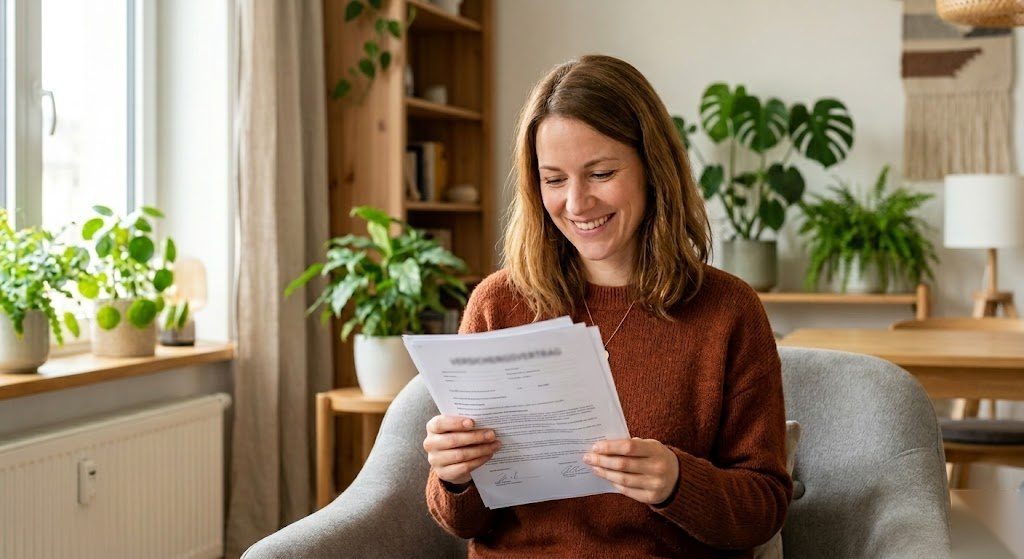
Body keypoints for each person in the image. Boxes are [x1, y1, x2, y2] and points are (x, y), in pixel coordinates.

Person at [421, 54, 791, 558]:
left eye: (600, 173)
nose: (576, 204)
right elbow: (461, 522)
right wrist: (454, 477)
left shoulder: (727, 310)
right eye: (553, 180)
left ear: (652, 167)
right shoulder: (498, 303)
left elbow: (764, 508)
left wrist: (680, 483)